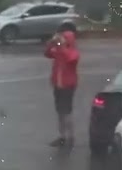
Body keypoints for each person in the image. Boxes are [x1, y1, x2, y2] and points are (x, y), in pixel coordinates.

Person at [44, 20, 80, 148]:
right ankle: (62, 136)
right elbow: (47, 53)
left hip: (68, 85)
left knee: (66, 112)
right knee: (60, 111)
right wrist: (52, 43)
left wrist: (62, 46)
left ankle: (70, 137)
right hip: (58, 84)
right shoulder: (58, 50)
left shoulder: (73, 52)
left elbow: (70, 58)